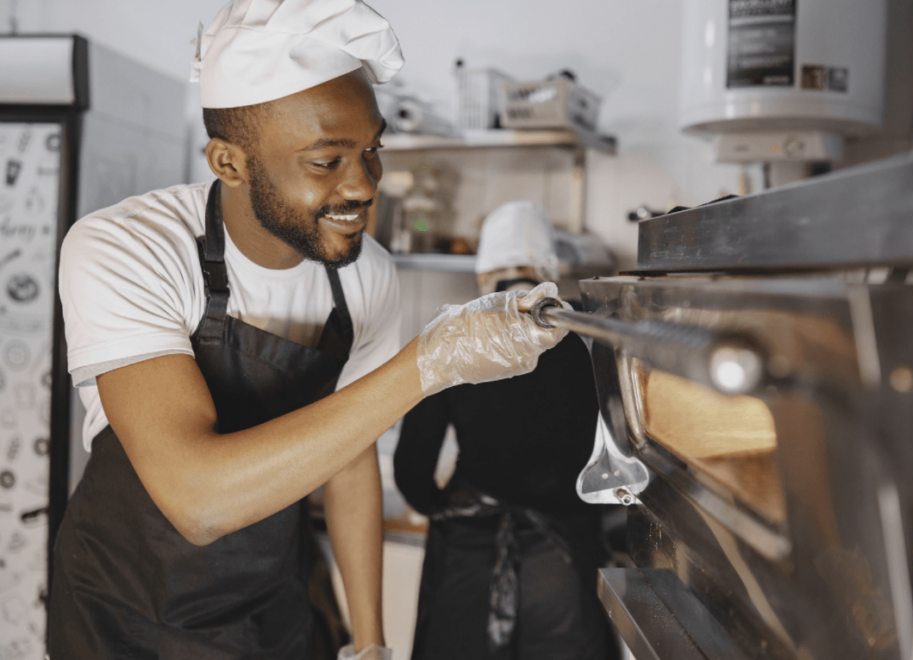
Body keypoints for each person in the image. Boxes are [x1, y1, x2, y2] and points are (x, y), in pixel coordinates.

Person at [47, 3, 569, 659]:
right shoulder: (129, 247)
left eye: (372, 150)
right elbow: (196, 499)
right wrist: (427, 363)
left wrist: (371, 643)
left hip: (275, 608)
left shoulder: (364, 274)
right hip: (128, 620)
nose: (364, 185)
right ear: (229, 162)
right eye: (327, 161)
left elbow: (348, 455)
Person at [394, 201, 614, 660]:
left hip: (471, 551)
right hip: (564, 556)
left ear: (482, 274)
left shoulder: (455, 337)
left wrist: (442, 506)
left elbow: (412, 466)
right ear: (548, 269)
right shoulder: (587, 337)